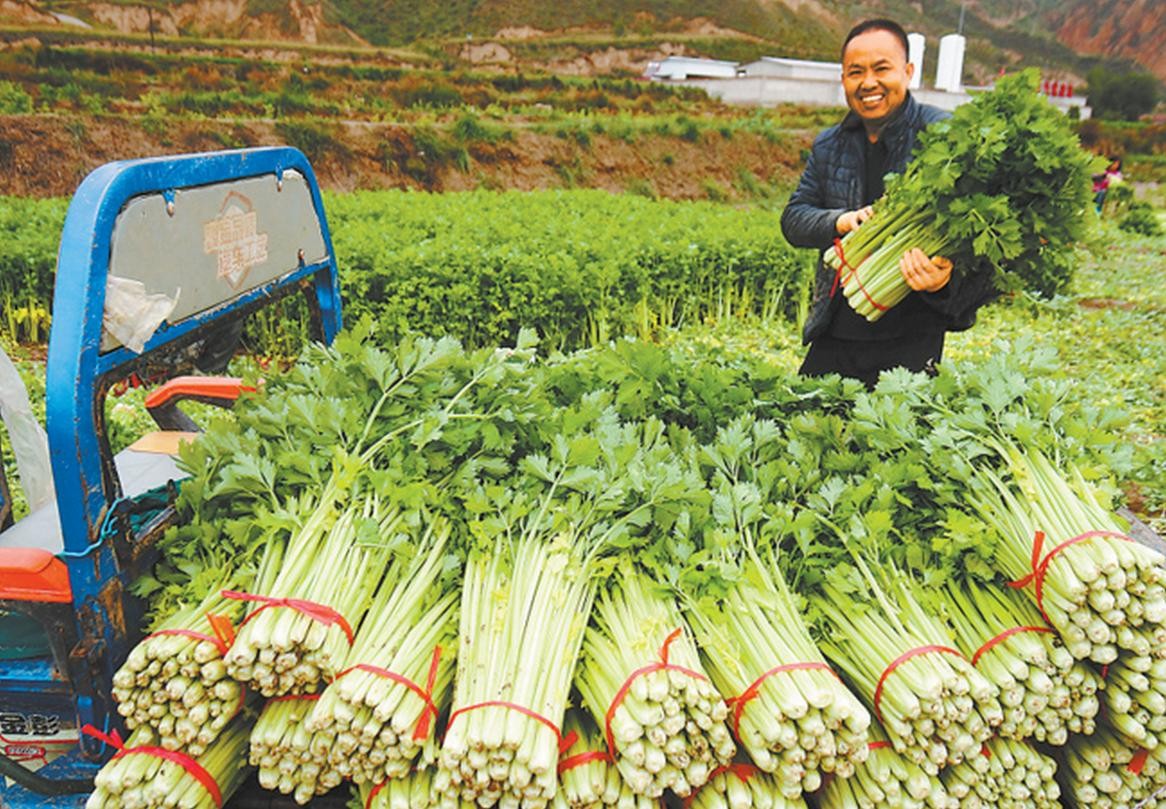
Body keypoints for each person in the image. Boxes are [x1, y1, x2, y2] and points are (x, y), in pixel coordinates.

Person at [781, 19, 996, 388]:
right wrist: (841, 221)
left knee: (896, 424)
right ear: (843, 79)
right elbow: (793, 219)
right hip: (835, 331)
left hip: (911, 340)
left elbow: (982, 249)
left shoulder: (945, 136)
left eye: (881, 69)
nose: (868, 83)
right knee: (805, 415)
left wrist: (944, 281)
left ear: (908, 72)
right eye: (856, 72)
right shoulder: (829, 144)